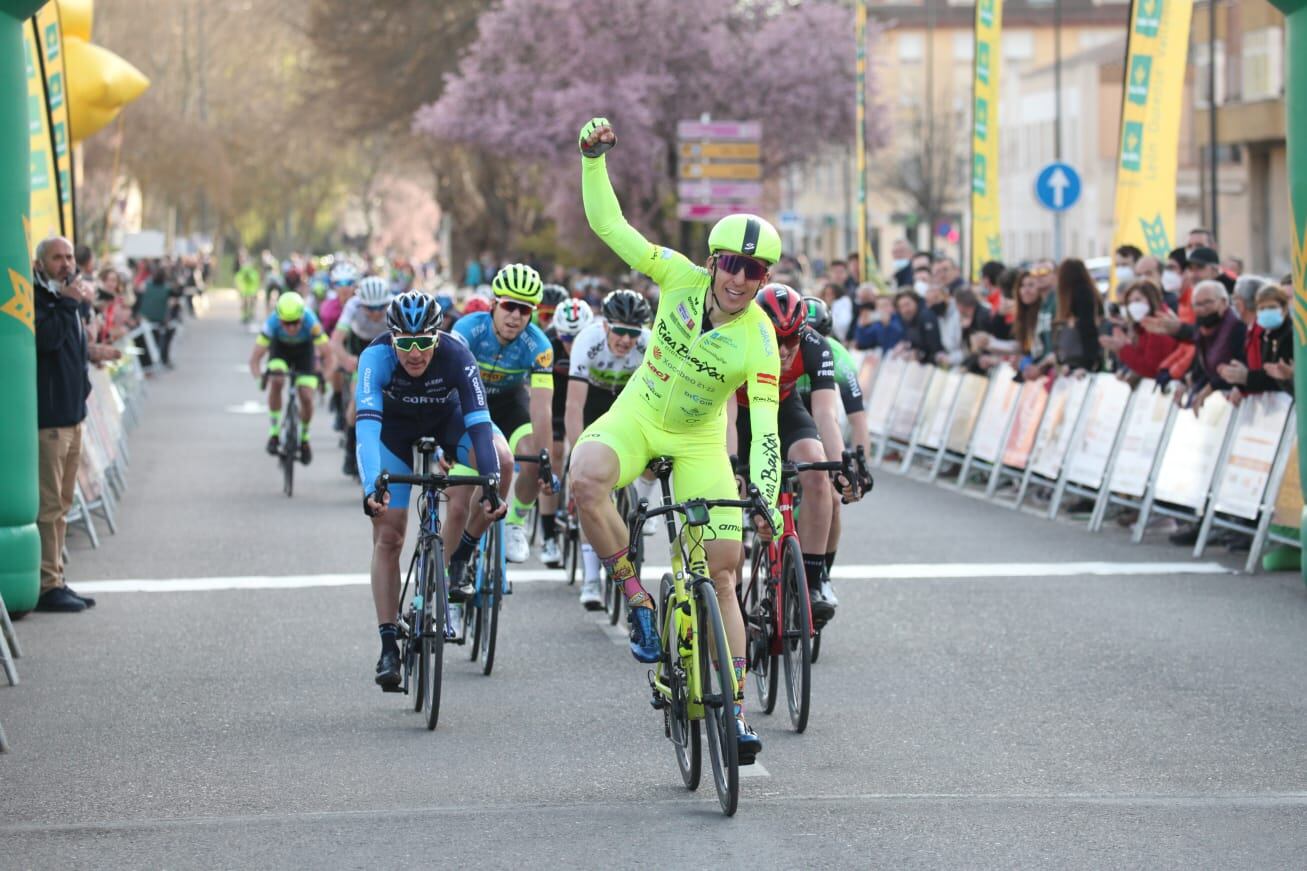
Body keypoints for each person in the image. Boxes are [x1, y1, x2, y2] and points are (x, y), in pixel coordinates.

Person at [569, 116, 782, 763]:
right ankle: (634, 596)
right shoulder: (676, 277)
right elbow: (612, 228)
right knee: (584, 478)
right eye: (731, 264)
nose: (740, 279)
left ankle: (737, 710)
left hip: (696, 442)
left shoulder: (758, 337)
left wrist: (766, 499)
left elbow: (764, 429)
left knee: (721, 570)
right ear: (713, 260)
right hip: (637, 416)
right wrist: (591, 161)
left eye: (755, 270)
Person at [356, 291, 511, 688]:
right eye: (405, 344)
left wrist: (490, 482)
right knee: (389, 536)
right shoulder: (375, 358)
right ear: (392, 339)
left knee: (502, 460)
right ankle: (389, 643)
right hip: (394, 431)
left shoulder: (457, 355)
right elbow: (368, 426)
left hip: (448, 422)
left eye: (423, 343)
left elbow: (478, 422)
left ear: (437, 337)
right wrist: (372, 483)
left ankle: (463, 553)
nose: (414, 353)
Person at [729, 284, 859, 622]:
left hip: (783, 409)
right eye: (776, 340)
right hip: (739, 416)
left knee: (817, 473)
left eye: (792, 340)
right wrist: (731, 466)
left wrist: (842, 465)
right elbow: (726, 416)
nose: (786, 351)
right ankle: (729, 600)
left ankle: (812, 583)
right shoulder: (736, 341)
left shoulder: (816, 346)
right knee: (733, 492)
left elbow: (826, 415)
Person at [450, 263, 557, 564]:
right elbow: (450, 385)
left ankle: (516, 523)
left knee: (533, 455)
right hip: (468, 404)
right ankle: (448, 577)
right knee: (458, 504)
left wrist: (545, 456)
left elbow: (541, 406)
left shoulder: (538, 345)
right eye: (509, 306)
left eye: (524, 311)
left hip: (510, 405)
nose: (515, 316)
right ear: (494, 304)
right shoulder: (467, 329)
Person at [33, 237, 115, 612]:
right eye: (57, 258)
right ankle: (47, 584)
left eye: (69, 257)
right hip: (49, 421)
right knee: (49, 507)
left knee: (63, 504)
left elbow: (71, 348)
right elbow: (47, 341)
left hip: (72, 416)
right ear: (41, 264)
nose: (66, 263)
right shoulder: (42, 300)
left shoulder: (69, 301)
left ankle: (57, 577)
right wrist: (68, 302)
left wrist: (94, 353)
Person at [564, 290, 652, 609]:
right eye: (620, 331)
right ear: (605, 326)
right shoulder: (587, 342)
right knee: (591, 495)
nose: (627, 340)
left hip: (631, 405)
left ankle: (642, 498)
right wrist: (577, 454)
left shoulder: (649, 343)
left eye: (634, 333)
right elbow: (574, 406)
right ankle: (590, 580)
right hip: (596, 404)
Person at [247, 291, 330, 463]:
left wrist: (325, 378)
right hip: (280, 351)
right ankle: (274, 432)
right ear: (279, 319)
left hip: (304, 353)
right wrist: (259, 380)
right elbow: (255, 358)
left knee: (307, 396)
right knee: (277, 380)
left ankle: (305, 438)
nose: (291, 327)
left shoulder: (311, 321)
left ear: (302, 317)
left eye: (295, 322)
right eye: (286, 323)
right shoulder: (271, 323)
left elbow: (328, 354)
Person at [330, 275, 393, 477]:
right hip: (360, 346)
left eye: (380, 308)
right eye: (370, 308)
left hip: (387, 345)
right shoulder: (353, 305)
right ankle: (350, 450)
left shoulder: (394, 305)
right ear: (362, 304)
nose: (375, 313)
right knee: (358, 400)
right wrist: (346, 358)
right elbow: (336, 341)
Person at [1219, 283, 1294, 401]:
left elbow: (1275, 378)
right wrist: (1240, 382)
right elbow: (1264, 371)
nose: (1266, 312)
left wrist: (1246, 377)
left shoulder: (1291, 335)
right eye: (1262, 308)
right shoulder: (1265, 335)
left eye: (1272, 307)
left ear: (1284, 309)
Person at [1053, 259, 1103, 374]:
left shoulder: (1080, 294)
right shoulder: (1089, 292)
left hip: (1082, 357)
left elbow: (1087, 327)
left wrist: (1088, 361)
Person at [893, 289, 944, 363]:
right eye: (901, 307)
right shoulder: (907, 319)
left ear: (916, 302)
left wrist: (918, 354)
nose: (905, 309)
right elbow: (914, 341)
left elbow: (934, 348)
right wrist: (906, 345)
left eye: (907, 304)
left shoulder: (926, 316)